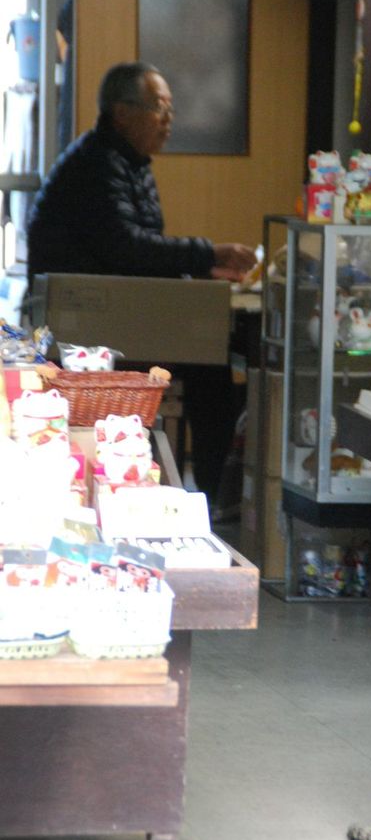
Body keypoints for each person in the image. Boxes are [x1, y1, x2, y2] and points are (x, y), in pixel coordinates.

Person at [27, 60, 257, 512]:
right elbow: (126, 248)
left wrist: (201, 267)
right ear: (121, 113)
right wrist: (209, 254)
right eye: (158, 108)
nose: (168, 119)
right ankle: (210, 499)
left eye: (170, 108)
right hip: (90, 330)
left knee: (213, 356)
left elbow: (139, 250)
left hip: (117, 312)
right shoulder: (97, 163)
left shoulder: (128, 161)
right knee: (209, 364)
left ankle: (212, 494)